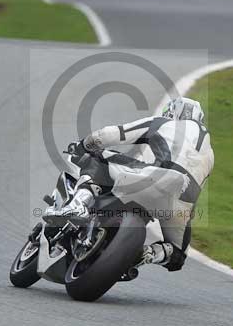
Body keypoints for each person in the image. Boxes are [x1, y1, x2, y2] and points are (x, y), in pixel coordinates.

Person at [43, 97, 214, 272]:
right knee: (177, 256)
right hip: (181, 202)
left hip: (159, 175)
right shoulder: (210, 153)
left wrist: (83, 145)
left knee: (97, 157)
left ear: (173, 112)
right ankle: (146, 254)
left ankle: (78, 205)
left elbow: (113, 134)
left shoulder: (164, 123)